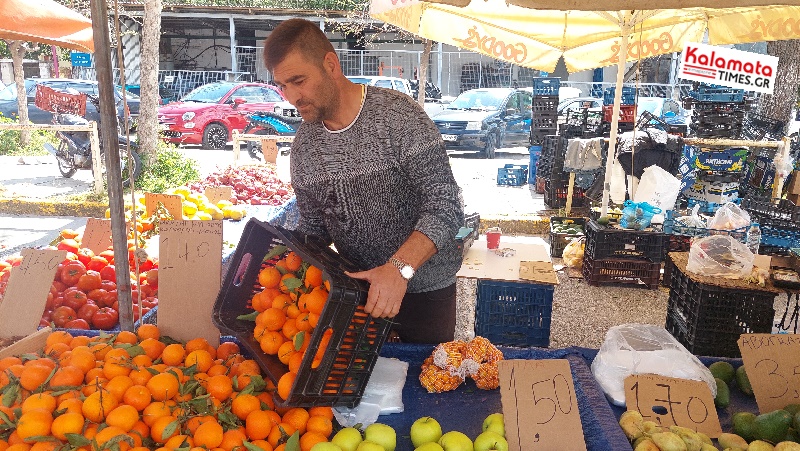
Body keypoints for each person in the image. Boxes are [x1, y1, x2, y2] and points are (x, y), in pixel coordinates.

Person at [262, 18, 464, 344]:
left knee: (421, 385)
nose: (292, 97)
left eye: (299, 81)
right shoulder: (304, 148)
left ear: (330, 64)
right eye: (283, 86)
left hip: (425, 289)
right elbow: (316, 229)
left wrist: (399, 270)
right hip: (358, 294)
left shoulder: (398, 117)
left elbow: (445, 204)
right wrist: (282, 259)